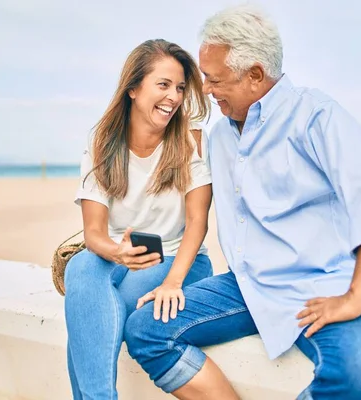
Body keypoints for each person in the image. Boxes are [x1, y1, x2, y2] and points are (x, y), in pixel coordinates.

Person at [124, 6, 361, 400]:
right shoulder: (220, 135)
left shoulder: (315, 116)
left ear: (256, 75)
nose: (205, 90)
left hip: (318, 285)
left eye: (214, 79)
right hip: (245, 286)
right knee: (145, 329)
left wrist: (357, 296)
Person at [64, 39, 213, 399]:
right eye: (163, 85)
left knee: (97, 315)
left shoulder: (190, 140)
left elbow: (197, 222)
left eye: (179, 87)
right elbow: (94, 232)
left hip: (180, 260)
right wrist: (118, 254)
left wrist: (174, 282)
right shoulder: (103, 141)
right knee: (81, 268)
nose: (174, 97)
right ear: (133, 88)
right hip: (118, 255)